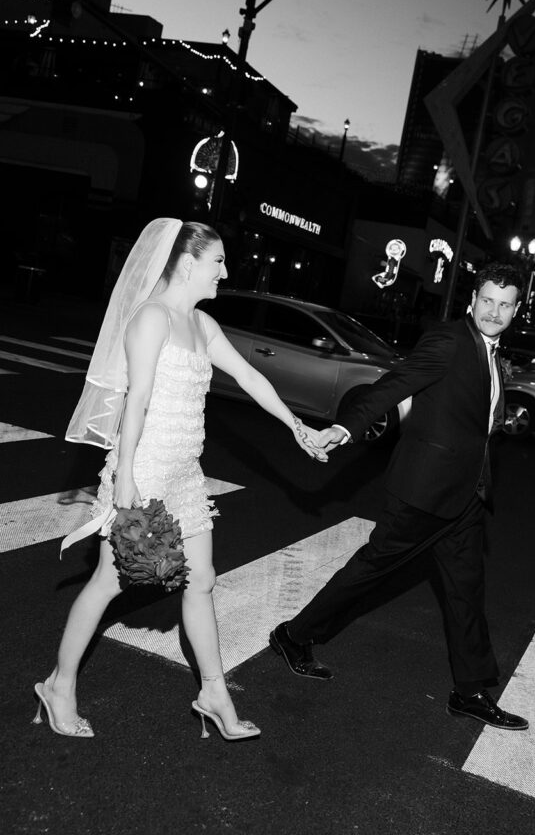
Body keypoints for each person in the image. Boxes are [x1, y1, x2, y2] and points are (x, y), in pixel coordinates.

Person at [33, 218, 326, 740]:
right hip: (143, 470)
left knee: (203, 581)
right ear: (188, 263)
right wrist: (125, 478)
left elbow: (250, 376)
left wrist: (297, 426)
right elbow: (137, 400)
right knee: (108, 583)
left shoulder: (202, 325)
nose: (225, 271)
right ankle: (59, 685)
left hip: (186, 475)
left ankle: (213, 693)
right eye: (218, 261)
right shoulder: (152, 318)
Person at [270, 262, 529, 731]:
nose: (494, 311)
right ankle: (293, 636)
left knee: (466, 591)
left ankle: (469, 691)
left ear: (515, 310)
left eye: (505, 304)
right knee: (371, 570)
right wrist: (345, 428)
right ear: (472, 300)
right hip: (424, 492)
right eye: (487, 300)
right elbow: (394, 384)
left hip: (465, 496)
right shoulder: (450, 341)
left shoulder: (489, 351)